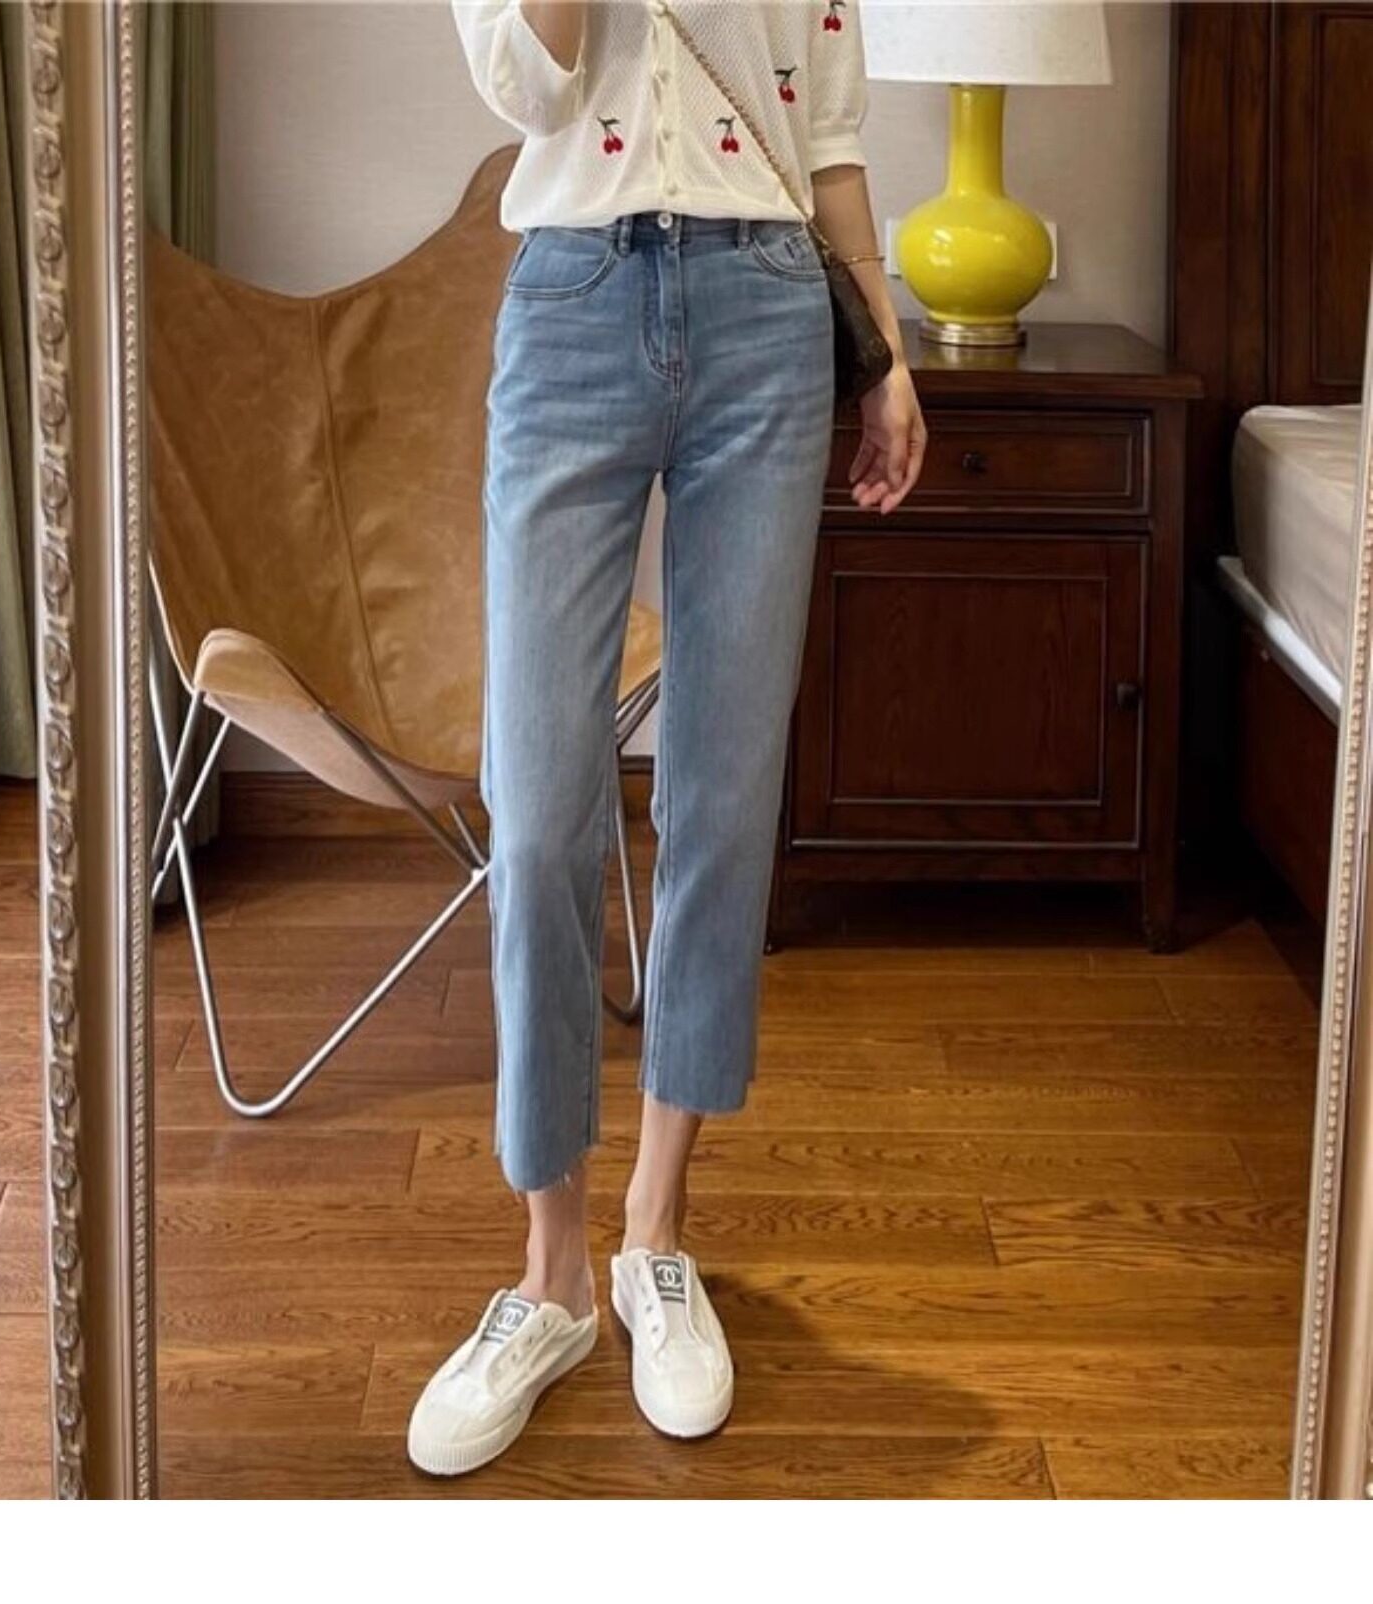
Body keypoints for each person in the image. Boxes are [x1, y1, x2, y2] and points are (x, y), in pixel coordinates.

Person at [409, 0, 926, 1477]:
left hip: (770, 309)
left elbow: (829, 135)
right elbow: (529, 86)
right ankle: (551, 1276)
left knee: (724, 791)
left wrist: (886, 355)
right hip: (573, 297)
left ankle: (654, 1235)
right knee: (541, 811)